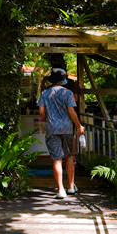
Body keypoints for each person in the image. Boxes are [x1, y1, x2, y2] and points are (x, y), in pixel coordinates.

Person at [39, 67, 86, 199]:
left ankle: (60, 190)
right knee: (70, 156)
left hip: (52, 129)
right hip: (67, 129)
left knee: (56, 159)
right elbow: (71, 112)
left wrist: (45, 119)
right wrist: (79, 126)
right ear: (63, 80)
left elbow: (41, 113)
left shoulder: (45, 94)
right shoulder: (68, 93)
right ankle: (71, 187)